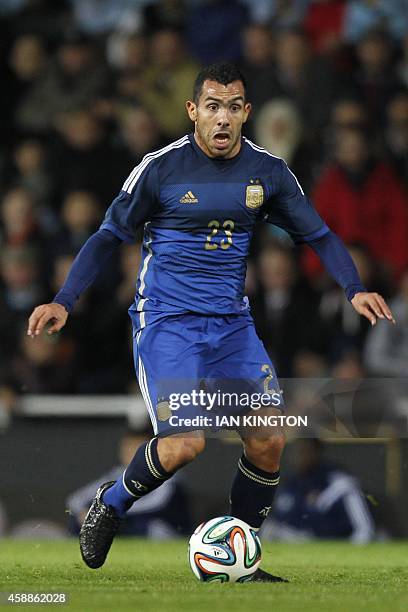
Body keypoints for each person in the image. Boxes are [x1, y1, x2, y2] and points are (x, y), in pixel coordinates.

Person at [27, 62, 395, 582]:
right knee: (185, 444)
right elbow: (109, 236)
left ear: (247, 113)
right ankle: (109, 503)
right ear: (193, 111)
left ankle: (241, 558)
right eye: (212, 106)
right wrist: (65, 299)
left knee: (269, 437)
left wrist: (354, 288)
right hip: (168, 323)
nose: (222, 118)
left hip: (231, 327)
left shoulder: (267, 172)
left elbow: (319, 235)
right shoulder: (160, 169)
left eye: (233, 107)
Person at [261, 438, 375, 543]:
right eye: (296, 452)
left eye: (304, 451)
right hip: (299, 541)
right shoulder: (291, 484)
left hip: (336, 542)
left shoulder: (337, 482)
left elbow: (363, 530)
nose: (299, 457)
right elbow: (281, 520)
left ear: (316, 453)